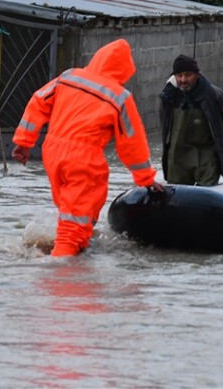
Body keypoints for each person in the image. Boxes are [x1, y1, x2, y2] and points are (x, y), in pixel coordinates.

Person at [11, 38, 165, 257]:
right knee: (74, 224)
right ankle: (63, 277)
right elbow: (132, 142)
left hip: (53, 152)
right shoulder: (119, 97)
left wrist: (24, 142)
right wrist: (145, 179)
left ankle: (75, 255)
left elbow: (38, 102)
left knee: (71, 213)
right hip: (83, 158)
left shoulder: (69, 77)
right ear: (125, 69)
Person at [159, 54, 223, 186]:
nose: (183, 80)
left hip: (207, 157)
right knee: (178, 199)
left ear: (197, 75)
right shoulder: (168, 97)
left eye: (188, 75)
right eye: (179, 75)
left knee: (207, 198)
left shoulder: (213, 95)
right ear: (174, 77)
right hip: (178, 157)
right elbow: (164, 124)